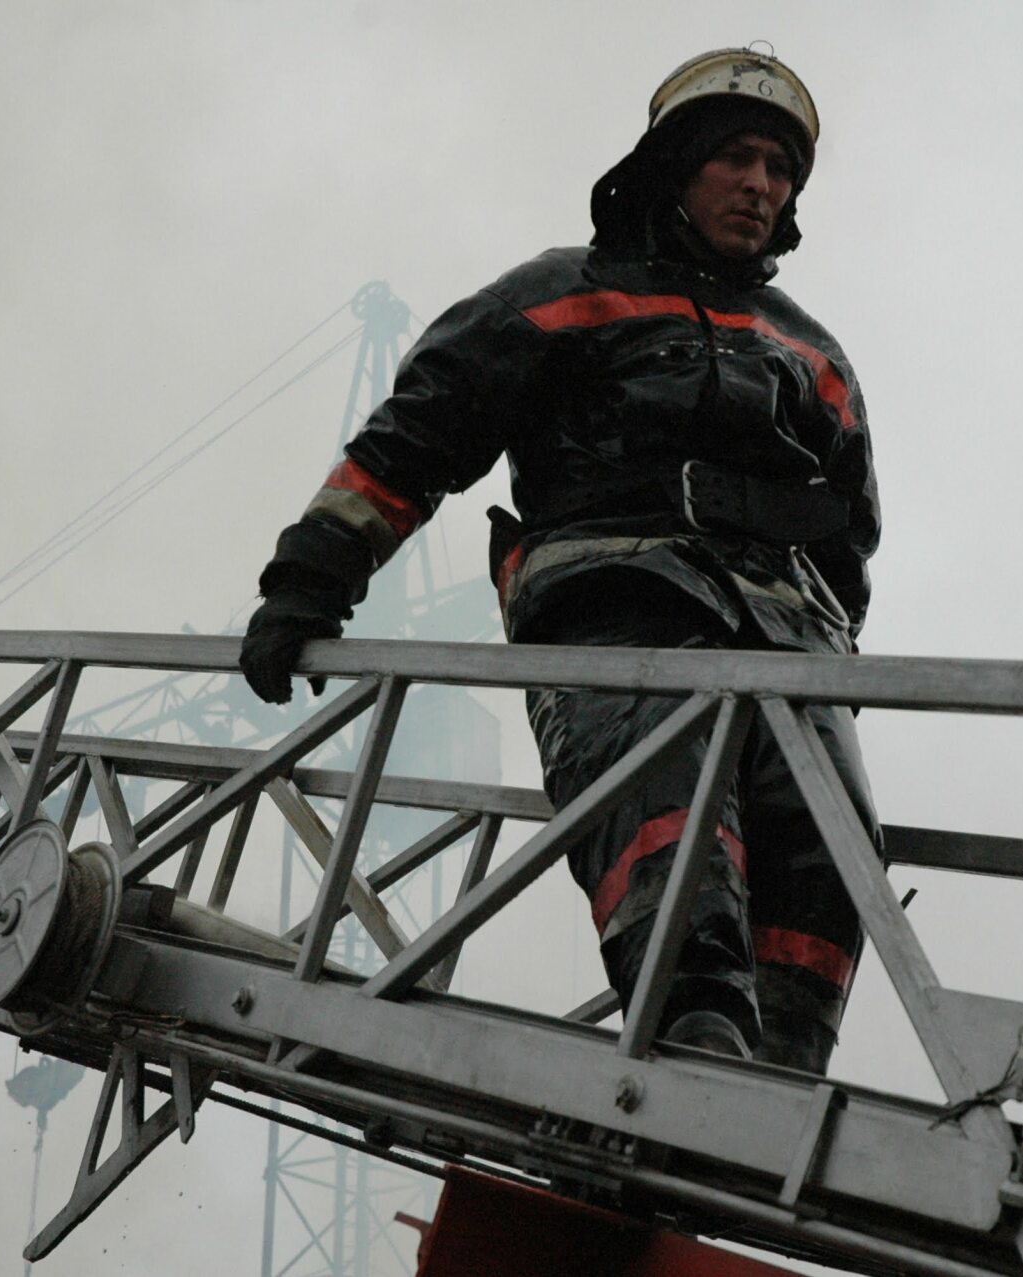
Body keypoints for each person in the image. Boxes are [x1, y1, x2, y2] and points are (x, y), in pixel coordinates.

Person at [239, 47, 882, 1074]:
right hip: (618, 606)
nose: (761, 185)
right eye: (737, 159)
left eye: (780, 168)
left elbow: (847, 541)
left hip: (790, 642)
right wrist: (308, 582)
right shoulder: (562, 294)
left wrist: (830, 656)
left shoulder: (812, 354)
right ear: (675, 166)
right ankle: (693, 1036)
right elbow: (416, 441)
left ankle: (786, 1071)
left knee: (828, 842)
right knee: (665, 800)